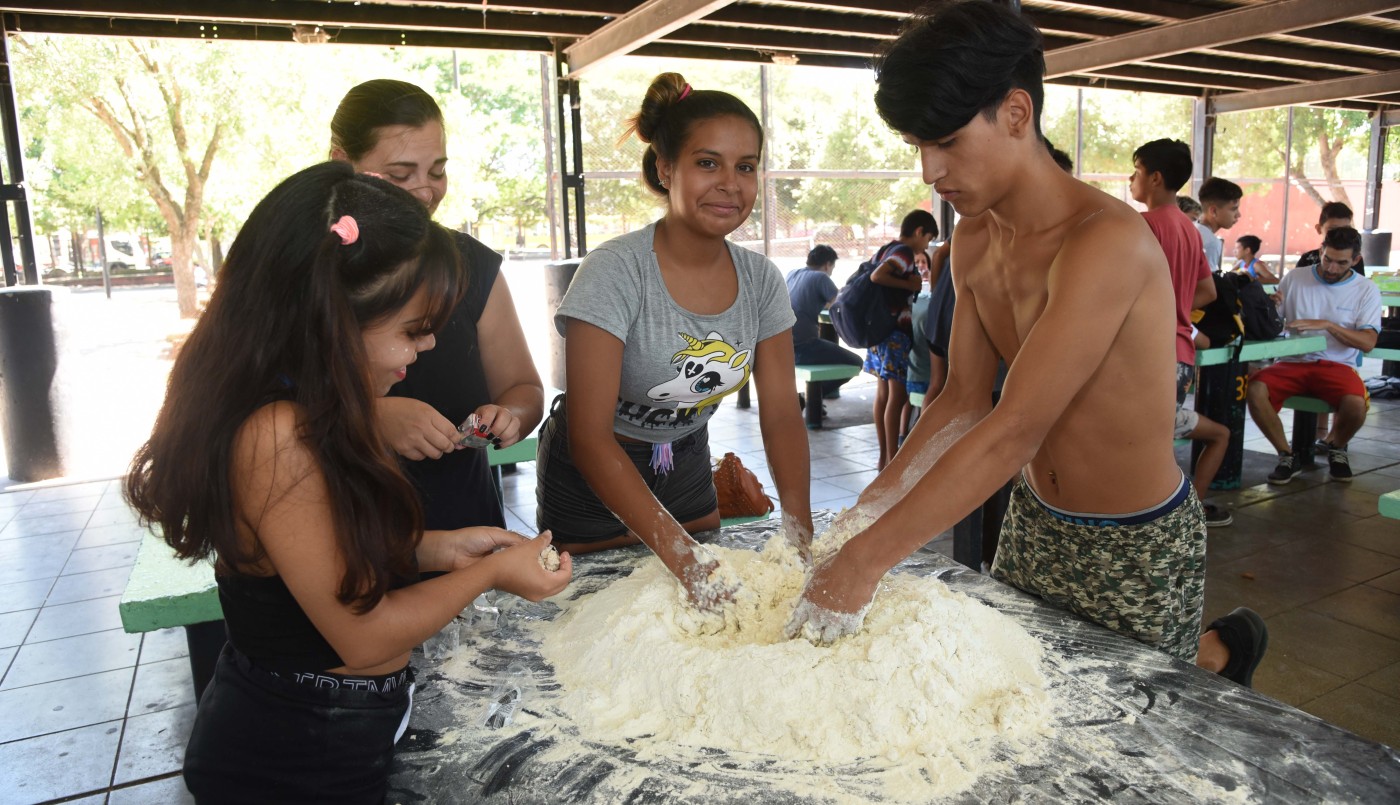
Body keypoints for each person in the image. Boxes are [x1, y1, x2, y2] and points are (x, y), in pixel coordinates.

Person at [785, 1, 1267, 690]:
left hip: (1135, 537)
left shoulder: (1104, 242)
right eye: (918, 145)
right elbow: (960, 401)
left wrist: (864, 561)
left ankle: (1224, 649)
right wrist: (860, 517)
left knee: (1132, 712)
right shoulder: (975, 237)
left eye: (946, 141)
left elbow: (1015, 424)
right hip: (1036, 519)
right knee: (1027, 698)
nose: (929, 169)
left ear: (1015, 113)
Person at [123, 163, 572, 803]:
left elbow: (317, 553)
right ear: (331, 321)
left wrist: (439, 549)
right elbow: (363, 638)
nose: (429, 345)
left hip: (337, 723)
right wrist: (489, 575)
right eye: (412, 331)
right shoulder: (277, 437)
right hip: (296, 748)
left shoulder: (318, 404)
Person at [536, 72, 812, 606]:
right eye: (708, 163)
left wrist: (799, 535)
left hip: (684, 460)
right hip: (593, 472)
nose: (731, 183)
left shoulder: (760, 281)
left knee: (701, 622)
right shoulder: (616, 272)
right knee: (599, 618)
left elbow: (780, 413)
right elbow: (590, 437)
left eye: (746, 166)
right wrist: (682, 557)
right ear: (666, 169)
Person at [330, 79, 544, 532]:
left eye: (437, 172)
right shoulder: (304, 268)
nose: (425, 191)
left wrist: (508, 417)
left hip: (464, 522)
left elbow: (524, 389)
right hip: (347, 537)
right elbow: (256, 413)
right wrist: (366, 417)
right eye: (400, 174)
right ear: (340, 164)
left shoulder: (472, 265)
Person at [1128, 138, 1232, 528]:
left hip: (1146, 354)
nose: (1131, 179)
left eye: (1136, 171)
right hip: (1181, 355)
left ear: (1155, 178)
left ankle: (1148, 525)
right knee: (1158, 446)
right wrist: (1175, 309)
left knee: (1135, 449)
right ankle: (1182, 519)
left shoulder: (1141, 226)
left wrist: (1157, 311)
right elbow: (1208, 291)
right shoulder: (1191, 230)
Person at [1248, 226, 1380, 484]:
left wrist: (1328, 325)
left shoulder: (1366, 289)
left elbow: (1368, 342)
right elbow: (1274, 322)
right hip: (1291, 361)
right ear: (1320, 251)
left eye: (1341, 263)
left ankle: (1338, 447)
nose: (1331, 268)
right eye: (1327, 259)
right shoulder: (1296, 277)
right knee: (1254, 389)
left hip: (1337, 365)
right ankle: (1287, 454)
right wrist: (1270, 308)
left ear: (1355, 260)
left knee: (1356, 405)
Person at [863, 209, 937, 469]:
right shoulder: (903, 252)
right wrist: (911, 286)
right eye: (927, 240)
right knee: (898, 395)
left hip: (879, 330)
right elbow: (877, 276)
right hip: (894, 331)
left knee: (883, 393)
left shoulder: (886, 248)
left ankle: (884, 458)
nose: (926, 247)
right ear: (919, 231)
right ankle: (892, 459)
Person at [786, 243, 863, 399]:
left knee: (828, 351)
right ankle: (809, 399)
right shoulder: (821, 277)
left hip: (783, 347)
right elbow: (840, 305)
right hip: (802, 348)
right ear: (828, 264)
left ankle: (812, 401)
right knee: (856, 362)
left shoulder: (792, 273)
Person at [1295, 201, 1366, 277]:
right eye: (1333, 229)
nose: (1339, 234)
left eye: (1345, 229)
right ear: (1319, 229)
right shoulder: (1308, 258)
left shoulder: (1353, 259)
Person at [1195, 177, 1243, 270]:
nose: (1238, 215)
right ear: (1213, 211)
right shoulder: (1210, 243)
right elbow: (1208, 282)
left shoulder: (1193, 228)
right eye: (1233, 209)